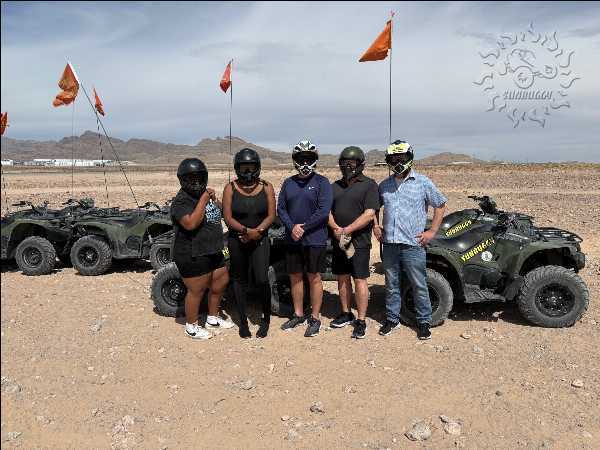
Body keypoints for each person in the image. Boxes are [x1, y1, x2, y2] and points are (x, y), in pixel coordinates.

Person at [374, 140, 447, 340]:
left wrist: (432, 231)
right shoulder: (384, 185)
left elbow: (440, 204)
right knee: (391, 284)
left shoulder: (422, 182)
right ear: (388, 161)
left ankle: (424, 322)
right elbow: (374, 208)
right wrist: (376, 226)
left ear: (410, 158)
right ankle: (392, 319)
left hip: (413, 244)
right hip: (390, 244)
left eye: (402, 158)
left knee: (419, 284)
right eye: (394, 159)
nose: (398, 162)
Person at [170, 158, 233, 340]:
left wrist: (215, 200)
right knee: (196, 291)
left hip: (214, 249)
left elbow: (220, 213)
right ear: (183, 180)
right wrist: (204, 200)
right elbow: (190, 224)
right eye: (191, 179)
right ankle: (191, 326)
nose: (196, 182)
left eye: (199, 178)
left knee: (220, 282)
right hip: (192, 252)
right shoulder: (180, 202)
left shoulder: (205, 195)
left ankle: (212, 318)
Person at [277, 140, 333, 337]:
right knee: (295, 277)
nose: (305, 162)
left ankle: (315, 317)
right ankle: (298, 313)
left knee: (314, 277)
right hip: (293, 238)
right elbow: (281, 209)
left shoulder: (322, 182)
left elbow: (324, 211)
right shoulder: (288, 183)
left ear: (315, 160)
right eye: (302, 159)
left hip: (315, 239)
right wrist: (292, 227)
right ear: (295, 160)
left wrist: (304, 227)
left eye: (309, 158)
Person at [222, 148, 276, 339]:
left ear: (257, 167)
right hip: (237, 239)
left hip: (260, 239)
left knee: (262, 279)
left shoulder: (267, 187)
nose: (247, 172)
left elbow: (271, 215)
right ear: (237, 168)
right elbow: (228, 217)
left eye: (251, 167)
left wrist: (257, 232)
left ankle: (266, 319)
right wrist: (246, 231)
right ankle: (243, 322)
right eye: (243, 168)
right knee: (238, 280)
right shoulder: (230, 188)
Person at [328, 146, 380, 339]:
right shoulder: (334, 186)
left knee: (359, 279)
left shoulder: (369, 185)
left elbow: (369, 213)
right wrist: (336, 229)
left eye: (351, 163)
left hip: (359, 242)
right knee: (342, 277)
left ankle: (361, 319)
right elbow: (327, 211)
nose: (347, 166)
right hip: (339, 240)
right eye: (344, 163)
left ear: (360, 164)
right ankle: (346, 313)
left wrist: (347, 230)